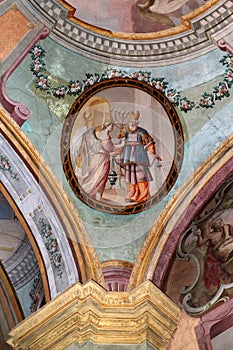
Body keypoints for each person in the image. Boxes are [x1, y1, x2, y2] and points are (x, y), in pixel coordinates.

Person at [115, 111, 162, 203]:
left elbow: (149, 143)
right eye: (131, 121)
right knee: (129, 175)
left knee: (141, 175)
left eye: (135, 121)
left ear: (137, 122)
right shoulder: (125, 130)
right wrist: (118, 151)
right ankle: (132, 193)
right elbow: (122, 143)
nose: (133, 123)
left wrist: (153, 153)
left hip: (140, 156)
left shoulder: (142, 131)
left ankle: (143, 195)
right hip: (127, 155)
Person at [75, 122, 115, 200]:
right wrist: (121, 145)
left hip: (102, 158)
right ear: (107, 126)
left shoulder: (103, 134)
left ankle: (98, 195)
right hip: (101, 159)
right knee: (99, 177)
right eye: (111, 125)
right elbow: (106, 148)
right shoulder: (104, 135)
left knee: (101, 177)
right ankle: (95, 194)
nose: (112, 127)